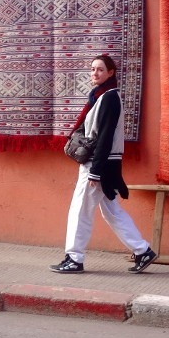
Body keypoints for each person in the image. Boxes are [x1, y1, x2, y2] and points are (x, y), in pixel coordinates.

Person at [49, 54, 157, 274]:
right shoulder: (100, 97)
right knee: (112, 212)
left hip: (97, 164)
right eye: (92, 69)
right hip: (104, 163)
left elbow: (106, 136)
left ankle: (74, 258)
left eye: (100, 69)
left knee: (80, 210)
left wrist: (95, 172)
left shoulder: (108, 97)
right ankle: (142, 250)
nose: (95, 73)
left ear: (111, 73)